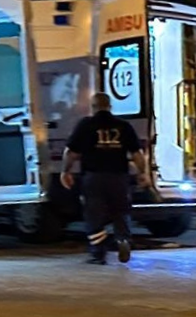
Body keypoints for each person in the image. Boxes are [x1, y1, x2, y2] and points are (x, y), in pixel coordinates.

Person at [61, 92, 147, 265]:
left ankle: (98, 253)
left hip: (94, 177)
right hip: (119, 177)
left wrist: (65, 171)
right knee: (121, 210)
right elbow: (137, 153)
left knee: (94, 214)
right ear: (110, 106)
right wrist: (142, 173)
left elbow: (71, 152)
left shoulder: (85, 125)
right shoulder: (123, 125)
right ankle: (123, 239)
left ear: (93, 107)